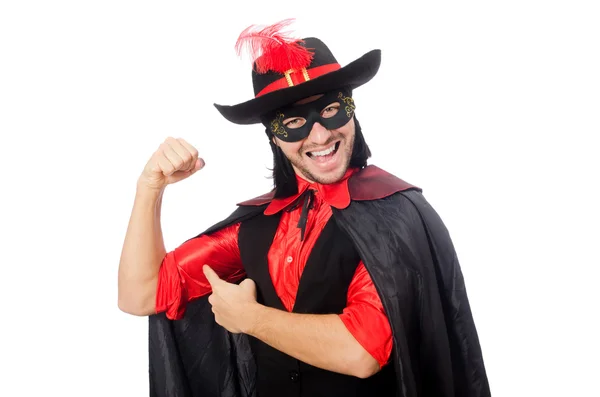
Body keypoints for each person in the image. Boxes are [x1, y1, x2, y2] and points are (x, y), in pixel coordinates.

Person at [118, 19, 491, 397]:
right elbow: (142, 295)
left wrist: (250, 318)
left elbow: (362, 352)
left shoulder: (393, 216)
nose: (320, 135)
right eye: (295, 122)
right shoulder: (255, 227)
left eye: (331, 110)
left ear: (351, 111)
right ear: (274, 137)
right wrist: (150, 187)